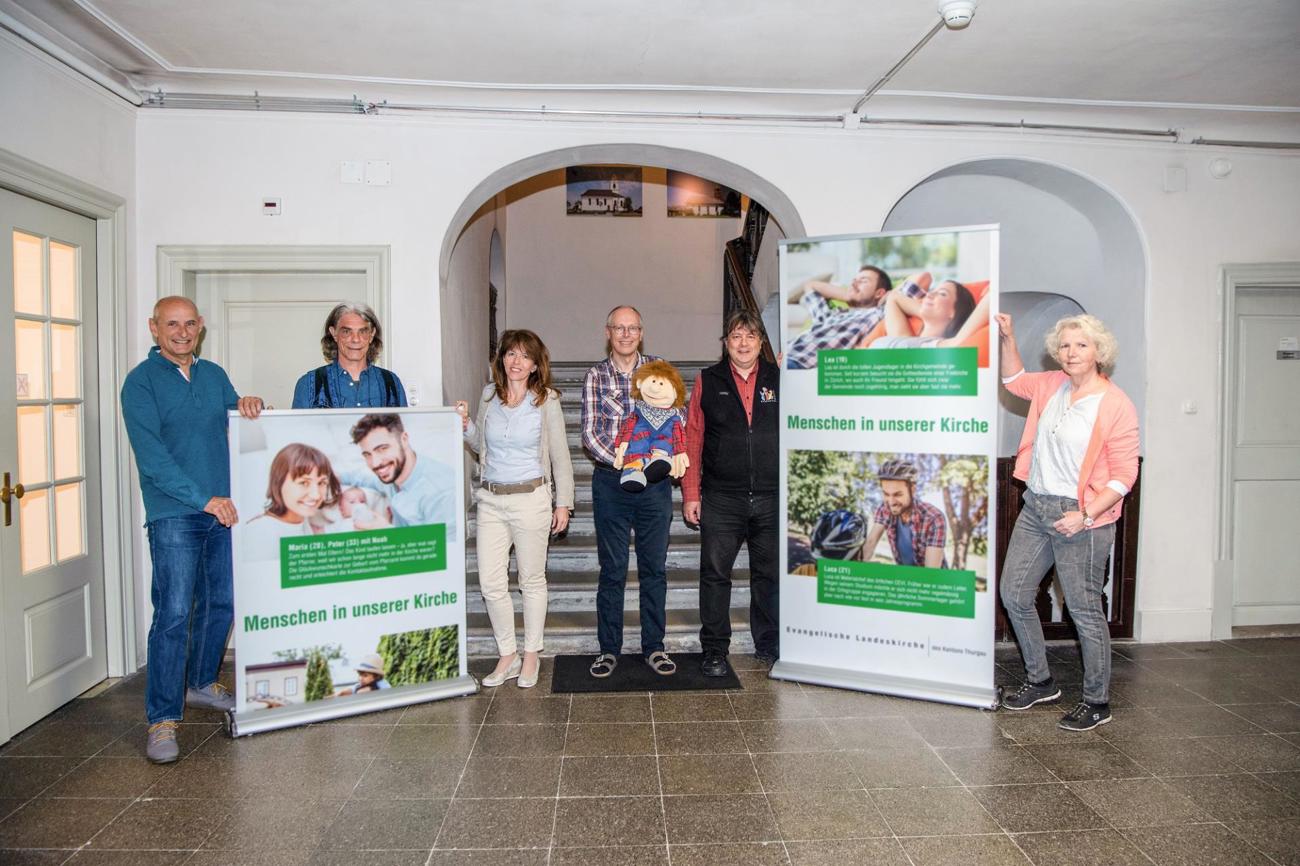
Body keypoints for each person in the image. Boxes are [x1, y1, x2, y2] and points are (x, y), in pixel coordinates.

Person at [120, 296, 264, 763]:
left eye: (189, 324)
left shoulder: (213, 374)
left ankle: (202, 683)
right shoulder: (140, 383)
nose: (181, 332)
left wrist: (246, 402)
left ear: (200, 327)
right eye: (171, 324)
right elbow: (152, 458)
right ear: (154, 328)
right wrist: (202, 499)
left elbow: (233, 418)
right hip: (175, 514)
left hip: (222, 511)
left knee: (221, 602)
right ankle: (163, 718)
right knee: (174, 614)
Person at [995, 312, 1139, 731]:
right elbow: (1013, 380)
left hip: (1084, 518)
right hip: (1037, 506)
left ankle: (1097, 701)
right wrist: (1007, 336)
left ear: (1099, 352)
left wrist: (1086, 515)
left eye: (1081, 345)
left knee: (1083, 610)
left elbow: (1124, 475)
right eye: (1065, 346)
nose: (1072, 352)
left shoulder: (1115, 404)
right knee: (1015, 593)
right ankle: (1040, 681)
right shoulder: (1051, 385)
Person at [455, 329, 574, 690]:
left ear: (536, 364)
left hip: (531, 499)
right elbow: (480, 446)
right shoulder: (489, 395)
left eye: (525, 356)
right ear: (502, 359)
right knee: (491, 582)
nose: (516, 362)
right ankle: (508, 654)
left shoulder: (546, 400)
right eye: (511, 354)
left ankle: (531, 654)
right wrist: (466, 427)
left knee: (531, 580)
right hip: (491, 499)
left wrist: (563, 502)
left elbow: (560, 456)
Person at [683, 310, 780, 676]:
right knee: (715, 574)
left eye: (750, 336)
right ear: (727, 342)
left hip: (771, 497)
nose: (743, 343)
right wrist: (692, 493)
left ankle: (769, 644)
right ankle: (713, 650)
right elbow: (693, 437)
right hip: (722, 497)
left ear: (760, 343)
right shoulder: (708, 380)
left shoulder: (779, 378)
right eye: (736, 336)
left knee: (768, 575)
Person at [581, 305, 676, 678]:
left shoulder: (658, 370)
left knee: (654, 569)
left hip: (654, 486)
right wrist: (626, 462)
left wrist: (650, 461)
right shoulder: (594, 376)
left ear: (641, 331)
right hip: (610, 484)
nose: (625, 334)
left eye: (632, 328)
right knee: (613, 569)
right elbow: (590, 434)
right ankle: (609, 650)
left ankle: (654, 647)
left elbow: (674, 418)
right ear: (608, 332)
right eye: (618, 328)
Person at [345, 414, 458, 539]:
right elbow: (362, 478)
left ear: (404, 439)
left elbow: (445, 552)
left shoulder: (441, 492)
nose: (375, 463)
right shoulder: (391, 474)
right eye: (367, 454)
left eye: (382, 448)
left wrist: (387, 533)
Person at [242, 443, 353, 561]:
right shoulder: (261, 532)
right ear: (278, 483)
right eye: (304, 483)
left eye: (321, 483)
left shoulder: (302, 519)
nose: (315, 495)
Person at [292, 303, 407, 408]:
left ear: (372, 335)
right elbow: (296, 430)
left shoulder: (392, 383)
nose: (355, 339)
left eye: (363, 332)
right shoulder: (308, 384)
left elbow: (405, 429)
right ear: (334, 333)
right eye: (346, 332)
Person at [786, 265, 893, 369]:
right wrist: (847, 295)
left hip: (797, 362)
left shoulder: (875, 314)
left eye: (863, 280)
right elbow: (810, 286)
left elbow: (906, 290)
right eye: (854, 280)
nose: (854, 283)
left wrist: (889, 296)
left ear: (879, 293)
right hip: (785, 352)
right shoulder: (832, 314)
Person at [860, 459, 949, 569]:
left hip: (934, 582)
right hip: (905, 578)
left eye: (897, 494)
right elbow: (870, 543)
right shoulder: (885, 509)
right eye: (886, 494)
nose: (891, 502)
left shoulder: (934, 518)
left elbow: (931, 573)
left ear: (912, 490)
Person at [872, 275, 989, 349]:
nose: (929, 294)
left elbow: (991, 297)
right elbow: (894, 298)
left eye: (942, 293)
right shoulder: (903, 337)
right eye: (933, 290)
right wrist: (928, 311)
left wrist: (933, 311)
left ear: (954, 313)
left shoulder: (942, 347)